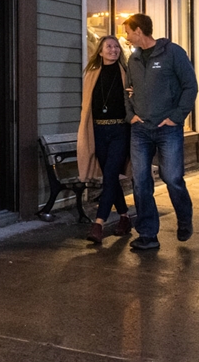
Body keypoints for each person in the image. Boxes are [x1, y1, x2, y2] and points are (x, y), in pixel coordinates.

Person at [123, 13, 197, 251]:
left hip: (167, 128)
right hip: (140, 129)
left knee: (173, 178)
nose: (126, 37)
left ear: (138, 31)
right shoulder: (133, 59)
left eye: (128, 32)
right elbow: (127, 91)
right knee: (141, 182)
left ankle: (184, 219)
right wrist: (130, 115)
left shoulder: (173, 53)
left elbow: (190, 86)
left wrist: (176, 117)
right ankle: (148, 234)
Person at [77, 35, 132, 244]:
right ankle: (125, 217)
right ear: (100, 51)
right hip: (98, 132)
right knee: (111, 177)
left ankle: (98, 223)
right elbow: (87, 106)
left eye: (116, 46)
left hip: (120, 130)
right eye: (109, 46)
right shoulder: (91, 75)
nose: (113, 49)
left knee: (110, 174)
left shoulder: (126, 73)